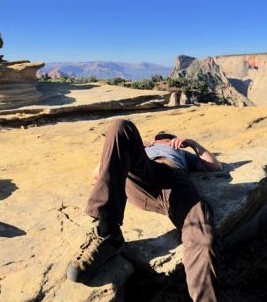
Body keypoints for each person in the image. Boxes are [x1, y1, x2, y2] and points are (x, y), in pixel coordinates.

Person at [68, 118, 221, 302]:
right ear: (154, 140)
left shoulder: (181, 152)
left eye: (168, 138)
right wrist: (133, 147)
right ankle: (107, 233)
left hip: (174, 180)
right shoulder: (145, 149)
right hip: (143, 176)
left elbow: (215, 166)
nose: (164, 140)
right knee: (121, 126)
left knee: (200, 226)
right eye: (160, 138)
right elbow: (99, 173)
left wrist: (192, 144)